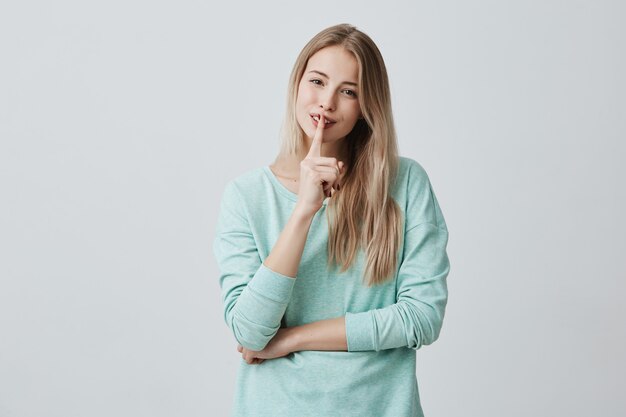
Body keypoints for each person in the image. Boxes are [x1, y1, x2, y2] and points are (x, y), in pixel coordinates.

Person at [213, 23, 450, 417]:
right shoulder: (246, 196)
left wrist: (292, 339)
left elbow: (420, 319)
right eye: (317, 81)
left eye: (348, 91)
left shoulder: (405, 183)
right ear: (296, 85)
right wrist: (304, 210)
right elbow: (250, 332)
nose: (327, 102)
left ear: (367, 105)